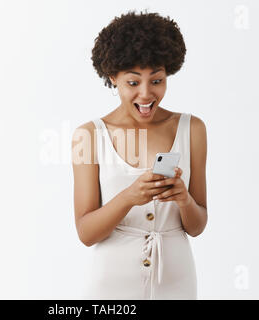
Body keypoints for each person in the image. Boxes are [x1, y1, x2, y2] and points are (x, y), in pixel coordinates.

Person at [71, 9, 208, 300]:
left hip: (177, 281)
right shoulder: (89, 135)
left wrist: (183, 199)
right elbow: (86, 232)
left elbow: (197, 226)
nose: (146, 94)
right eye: (133, 83)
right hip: (111, 284)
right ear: (113, 78)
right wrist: (129, 196)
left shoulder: (192, 129)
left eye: (157, 81)